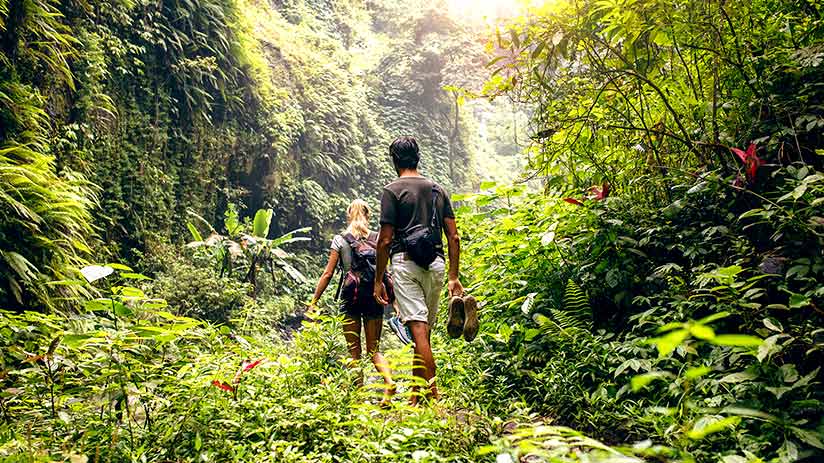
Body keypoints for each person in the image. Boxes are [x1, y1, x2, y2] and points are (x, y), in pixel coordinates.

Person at [373, 136, 475, 405]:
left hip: (405, 263)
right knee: (424, 332)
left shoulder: (392, 190)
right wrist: (454, 277)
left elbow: (384, 240)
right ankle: (416, 396)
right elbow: (454, 237)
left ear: (395, 160)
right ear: (418, 157)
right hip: (437, 264)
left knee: (418, 331)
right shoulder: (437, 190)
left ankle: (433, 393)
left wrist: (378, 281)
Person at [308, 199, 395, 402]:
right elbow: (386, 271)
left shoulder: (340, 240)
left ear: (349, 215)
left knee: (353, 352)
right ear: (368, 216)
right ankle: (389, 383)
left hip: (351, 296)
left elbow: (328, 274)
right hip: (374, 294)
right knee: (374, 350)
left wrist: (314, 301)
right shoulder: (377, 238)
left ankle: (359, 398)